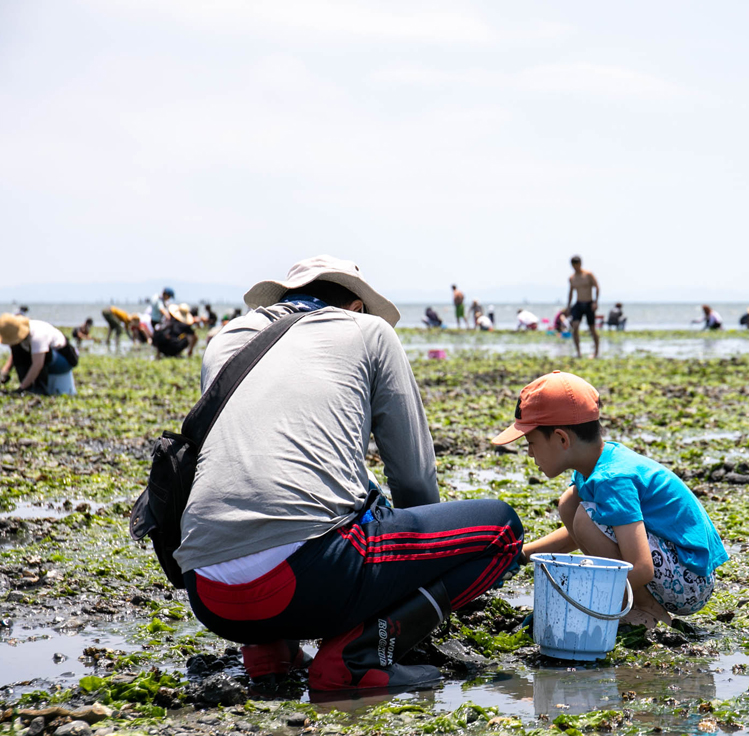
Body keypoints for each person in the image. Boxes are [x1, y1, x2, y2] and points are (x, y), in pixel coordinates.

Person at [175, 255, 523, 693]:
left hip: (209, 593)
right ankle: (359, 654)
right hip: (310, 578)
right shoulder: (369, 332)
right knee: (502, 531)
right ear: (356, 306)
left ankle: (269, 650)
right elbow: (414, 480)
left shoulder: (227, 339)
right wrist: (420, 582)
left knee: (304, 498)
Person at [492, 371, 726, 628]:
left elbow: (641, 567)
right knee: (570, 504)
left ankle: (648, 610)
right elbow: (583, 534)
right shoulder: (597, 465)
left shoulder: (611, 479)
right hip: (677, 570)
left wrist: (583, 599)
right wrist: (522, 555)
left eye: (531, 442)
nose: (529, 453)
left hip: (690, 578)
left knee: (583, 515)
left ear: (561, 438)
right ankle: (636, 601)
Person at [0, 314, 76, 394]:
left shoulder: (37, 335)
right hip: (41, 358)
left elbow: (38, 364)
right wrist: (5, 372)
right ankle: (29, 386)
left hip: (62, 360)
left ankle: (40, 388)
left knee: (44, 355)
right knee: (17, 350)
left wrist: (21, 388)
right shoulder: (19, 336)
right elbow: (15, 355)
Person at [568, 256, 601, 358]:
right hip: (578, 303)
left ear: (580, 264)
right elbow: (571, 292)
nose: (575, 267)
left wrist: (595, 302)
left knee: (592, 329)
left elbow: (597, 287)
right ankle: (579, 353)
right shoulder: (572, 278)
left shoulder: (588, 275)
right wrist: (568, 306)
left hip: (589, 303)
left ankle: (596, 352)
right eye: (573, 266)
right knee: (575, 327)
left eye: (577, 265)